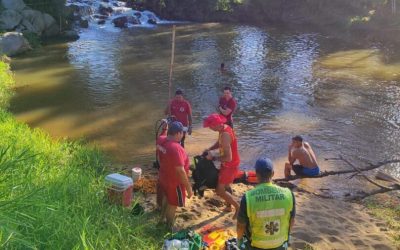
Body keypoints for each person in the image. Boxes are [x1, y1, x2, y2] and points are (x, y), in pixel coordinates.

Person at [237, 157, 295, 250]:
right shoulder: (289, 194)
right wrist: (287, 236)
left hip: (256, 245)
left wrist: (239, 240)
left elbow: (240, 225)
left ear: (256, 174)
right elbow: (291, 221)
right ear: (273, 174)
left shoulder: (248, 197)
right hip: (280, 244)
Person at [203, 113, 240, 218]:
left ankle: (238, 207)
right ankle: (228, 206)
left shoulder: (225, 135)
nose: (209, 128)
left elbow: (228, 157)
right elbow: (219, 143)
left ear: (216, 124)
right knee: (226, 185)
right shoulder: (225, 128)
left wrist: (213, 158)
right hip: (230, 163)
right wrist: (210, 149)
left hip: (230, 165)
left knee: (219, 190)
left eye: (210, 126)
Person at [156, 121, 193, 229]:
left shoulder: (161, 140)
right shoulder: (176, 148)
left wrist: (165, 127)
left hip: (163, 177)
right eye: (182, 133)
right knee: (173, 204)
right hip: (174, 182)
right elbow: (180, 171)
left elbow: (163, 135)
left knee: (166, 198)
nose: (183, 135)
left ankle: (162, 219)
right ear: (177, 133)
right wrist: (188, 188)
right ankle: (169, 226)